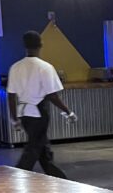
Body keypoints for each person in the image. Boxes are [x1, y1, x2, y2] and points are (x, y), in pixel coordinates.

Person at [6, 30, 76, 178]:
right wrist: (68, 112)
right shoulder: (45, 67)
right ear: (41, 44)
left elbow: (11, 96)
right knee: (33, 148)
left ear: (24, 45)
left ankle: (59, 179)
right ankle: (17, 177)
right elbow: (52, 95)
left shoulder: (15, 67)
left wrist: (14, 119)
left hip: (23, 112)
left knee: (43, 149)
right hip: (39, 113)